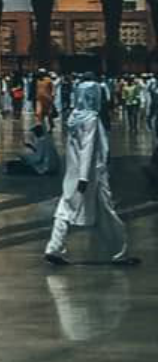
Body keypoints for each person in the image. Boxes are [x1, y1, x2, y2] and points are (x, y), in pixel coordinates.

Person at [45, 81, 140, 268]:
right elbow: (88, 148)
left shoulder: (74, 117)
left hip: (73, 172)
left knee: (65, 209)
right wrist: (84, 178)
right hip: (92, 174)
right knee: (107, 213)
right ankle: (120, 253)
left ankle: (54, 248)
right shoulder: (91, 119)